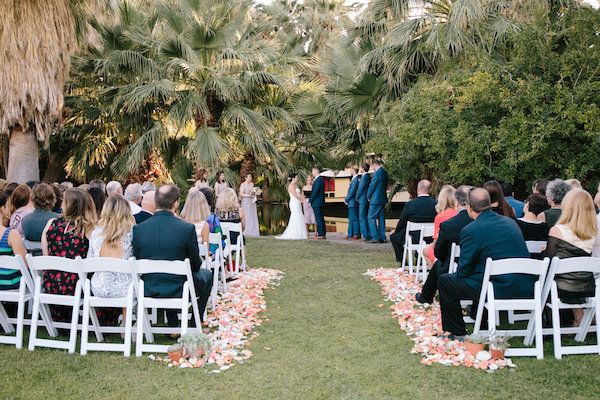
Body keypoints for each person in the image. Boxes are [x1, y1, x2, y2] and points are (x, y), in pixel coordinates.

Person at [437, 188, 533, 338]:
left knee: (445, 281)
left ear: (469, 207)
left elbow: (463, 271)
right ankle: (477, 315)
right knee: (478, 276)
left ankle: (457, 331)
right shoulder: (511, 223)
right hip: (525, 285)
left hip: (495, 288)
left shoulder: (471, 230)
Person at [132, 184, 213, 324]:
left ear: (156, 202)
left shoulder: (139, 229)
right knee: (207, 275)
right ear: (175, 204)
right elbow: (195, 264)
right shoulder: (186, 229)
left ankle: (174, 323)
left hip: (149, 287)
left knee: (168, 274)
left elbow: (138, 258)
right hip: (180, 287)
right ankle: (195, 322)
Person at [41, 188, 97, 321]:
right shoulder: (90, 229)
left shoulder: (51, 224)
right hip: (78, 286)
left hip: (52, 284)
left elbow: (46, 256)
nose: (60, 204)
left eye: (63, 201)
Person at [546, 189, 597, 326]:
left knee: (543, 279)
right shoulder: (593, 234)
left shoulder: (558, 231)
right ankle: (579, 317)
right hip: (587, 287)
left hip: (561, 288)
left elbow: (548, 264)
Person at [416, 185, 473, 304]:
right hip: (476, 264)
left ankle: (426, 296)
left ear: (457, 202)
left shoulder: (448, 224)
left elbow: (439, 251)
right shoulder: (478, 221)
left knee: (439, 263)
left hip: (454, 265)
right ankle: (426, 296)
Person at [88, 195, 135, 304]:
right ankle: (126, 319)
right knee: (131, 278)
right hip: (125, 291)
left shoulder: (95, 234)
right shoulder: (132, 233)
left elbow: (89, 260)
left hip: (99, 288)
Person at [390, 179, 437, 262]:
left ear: (417, 189)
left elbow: (402, 222)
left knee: (393, 236)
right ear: (430, 190)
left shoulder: (410, 204)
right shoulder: (436, 204)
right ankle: (420, 258)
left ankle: (403, 261)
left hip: (414, 236)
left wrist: (396, 231)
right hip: (431, 236)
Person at [0, 193, 28, 290]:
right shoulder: (11, 235)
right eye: (7, 205)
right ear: (2, 208)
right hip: (10, 283)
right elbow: (25, 264)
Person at [424, 185, 457, 265]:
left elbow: (437, 241)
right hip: (459, 249)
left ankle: (437, 272)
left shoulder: (440, 216)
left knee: (426, 250)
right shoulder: (459, 213)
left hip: (445, 251)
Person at [22, 183, 58, 247]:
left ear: (32, 199)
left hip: (30, 255)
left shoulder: (25, 220)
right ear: (52, 198)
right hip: (51, 255)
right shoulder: (58, 219)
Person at [516, 193, 550, 259]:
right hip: (539, 264)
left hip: (520, 262)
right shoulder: (546, 228)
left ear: (527, 205)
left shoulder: (515, 224)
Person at [278, 173, 308, 240]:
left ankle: (300, 233)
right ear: (293, 178)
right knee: (295, 215)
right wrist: (303, 200)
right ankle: (294, 233)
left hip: (298, 202)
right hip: (294, 203)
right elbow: (295, 195)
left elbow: (299, 194)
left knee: (299, 215)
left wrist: (303, 198)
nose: (298, 178)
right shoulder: (291, 186)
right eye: (297, 177)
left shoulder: (296, 185)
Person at [367, 160, 389, 243]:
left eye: (372, 166)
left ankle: (375, 237)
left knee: (371, 218)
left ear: (374, 164)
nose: (372, 168)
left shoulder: (376, 174)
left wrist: (368, 196)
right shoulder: (385, 172)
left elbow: (372, 186)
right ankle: (382, 237)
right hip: (382, 198)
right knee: (381, 218)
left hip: (375, 199)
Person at [309, 167, 326, 239]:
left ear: (316, 171)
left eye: (312, 171)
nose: (312, 173)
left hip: (317, 202)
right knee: (320, 218)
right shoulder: (319, 179)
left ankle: (321, 234)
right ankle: (322, 233)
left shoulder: (319, 180)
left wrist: (310, 200)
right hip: (319, 202)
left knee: (319, 218)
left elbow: (315, 192)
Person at [356, 163, 371, 241]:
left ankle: (365, 235)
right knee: (366, 217)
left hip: (362, 199)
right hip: (367, 199)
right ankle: (369, 233)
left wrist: (357, 197)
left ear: (363, 168)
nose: (359, 169)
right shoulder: (368, 176)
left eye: (360, 167)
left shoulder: (364, 177)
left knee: (362, 217)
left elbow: (360, 189)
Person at [344, 167, 361, 240]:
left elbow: (352, 191)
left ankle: (356, 234)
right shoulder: (354, 179)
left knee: (354, 219)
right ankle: (350, 233)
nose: (350, 170)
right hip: (351, 202)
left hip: (353, 202)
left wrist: (346, 199)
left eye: (351, 169)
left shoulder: (355, 180)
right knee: (351, 219)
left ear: (354, 170)